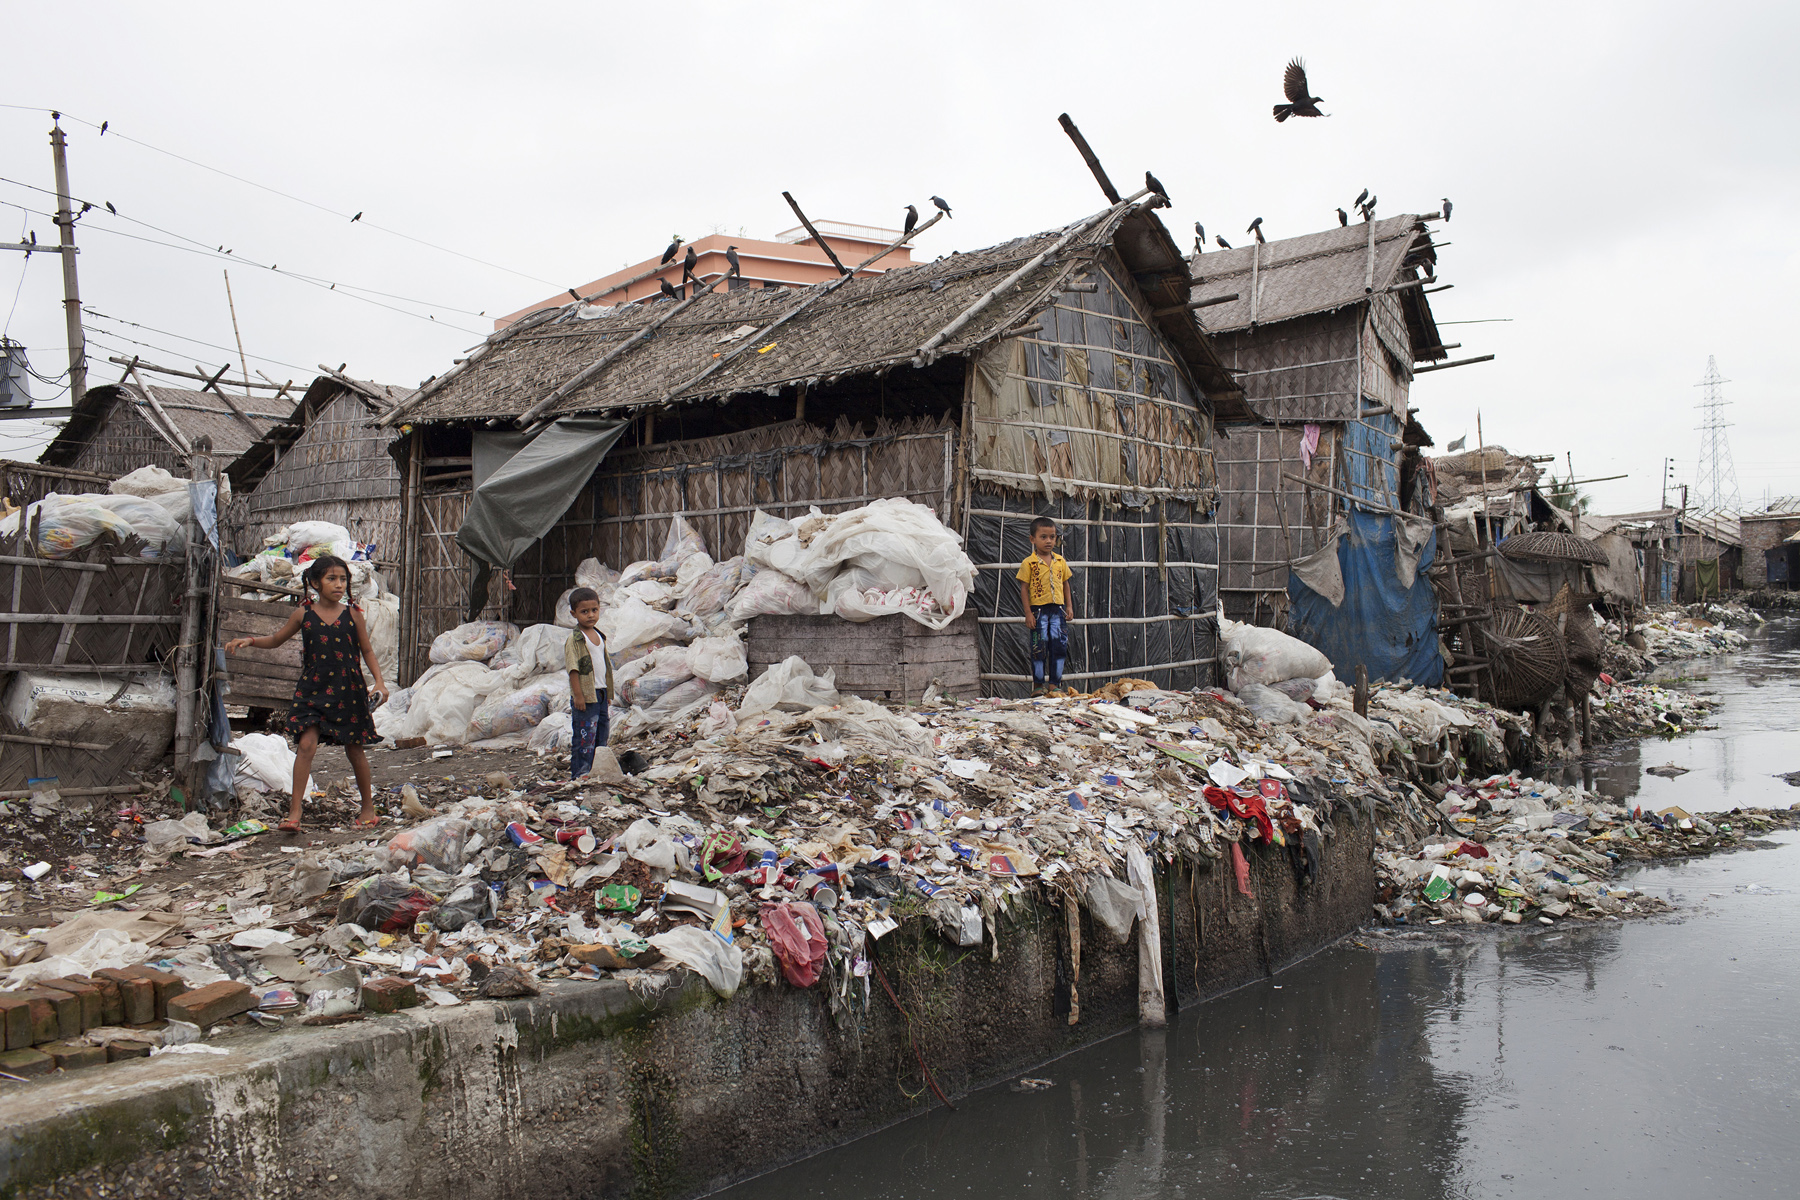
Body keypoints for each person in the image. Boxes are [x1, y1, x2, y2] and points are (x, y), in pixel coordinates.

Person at [225, 555, 388, 831]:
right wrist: (250, 640)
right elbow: (277, 639)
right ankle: (295, 812)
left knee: (355, 749)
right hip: (313, 688)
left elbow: (367, 651)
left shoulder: (354, 614)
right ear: (314, 583)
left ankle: (367, 808)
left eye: (343, 579)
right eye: (331, 579)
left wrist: (380, 683)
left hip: (348, 690)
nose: (339, 585)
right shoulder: (304, 613)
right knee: (305, 745)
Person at [1017, 516, 1076, 696]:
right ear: (1032, 539)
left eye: (1052, 537)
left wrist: (1069, 607)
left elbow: (1066, 584)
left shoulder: (1060, 561)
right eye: (1043, 537)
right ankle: (1038, 685)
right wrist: (1028, 613)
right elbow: (1024, 588)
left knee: (1059, 647)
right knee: (1038, 648)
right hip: (1039, 611)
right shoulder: (1029, 563)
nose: (1049, 541)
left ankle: (1054, 684)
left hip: (1058, 610)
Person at [565, 587, 616, 778]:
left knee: (601, 734)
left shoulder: (599, 635)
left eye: (594, 610)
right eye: (584, 612)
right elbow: (573, 668)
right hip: (585, 696)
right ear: (573, 614)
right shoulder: (575, 639)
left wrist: (607, 694)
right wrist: (578, 695)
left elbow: (604, 667)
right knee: (585, 737)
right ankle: (580, 775)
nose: (590, 615)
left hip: (600, 693)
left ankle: (596, 771)